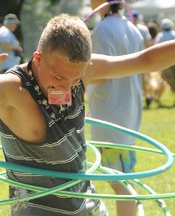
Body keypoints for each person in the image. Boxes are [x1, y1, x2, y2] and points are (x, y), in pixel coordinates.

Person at [0, 13, 175, 216]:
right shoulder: (11, 88)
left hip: (86, 206)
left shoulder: (84, 72)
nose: (67, 87)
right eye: (59, 78)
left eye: (76, 78)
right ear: (38, 59)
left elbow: (145, 60)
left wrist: (74, 80)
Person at [87, 1, 145, 215]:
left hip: (112, 115)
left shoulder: (104, 29)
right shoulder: (131, 27)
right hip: (127, 111)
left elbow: (100, 72)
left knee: (119, 180)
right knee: (123, 176)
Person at [155, 18, 175, 106]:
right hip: (173, 61)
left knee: (164, 80)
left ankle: (157, 98)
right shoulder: (174, 34)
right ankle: (157, 98)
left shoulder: (160, 36)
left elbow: (155, 49)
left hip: (164, 63)